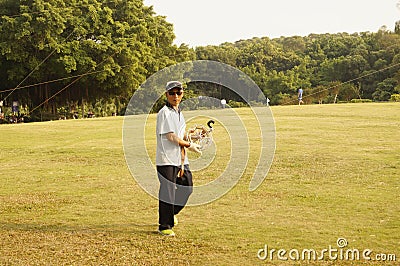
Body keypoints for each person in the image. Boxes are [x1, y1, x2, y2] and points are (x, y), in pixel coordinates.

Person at [156, 81, 202, 236]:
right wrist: (189, 145)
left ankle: (171, 213)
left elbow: (180, 134)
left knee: (187, 187)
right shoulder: (165, 113)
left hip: (180, 159)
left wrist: (194, 136)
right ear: (166, 95)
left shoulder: (179, 112)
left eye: (179, 93)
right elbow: (171, 137)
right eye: (172, 93)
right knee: (167, 192)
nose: (175, 96)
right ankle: (165, 226)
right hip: (166, 159)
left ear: (182, 94)